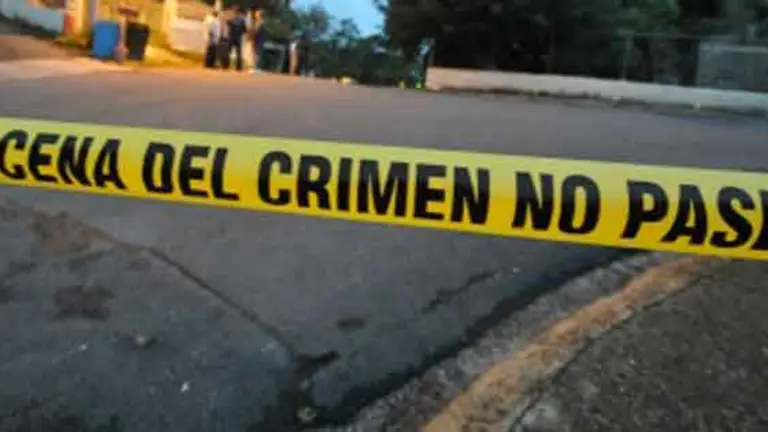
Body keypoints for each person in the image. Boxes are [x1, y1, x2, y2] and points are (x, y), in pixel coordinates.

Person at [227, 6, 247, 71]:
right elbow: (245, 29)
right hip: (238, 38)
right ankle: (238, 67)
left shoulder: (231, 18)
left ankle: (226, 65)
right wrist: (240, 32)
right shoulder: (242, 19)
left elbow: (228, 25)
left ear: (234, 11)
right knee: (239, 53)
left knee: (228, 51)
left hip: (231, 37)